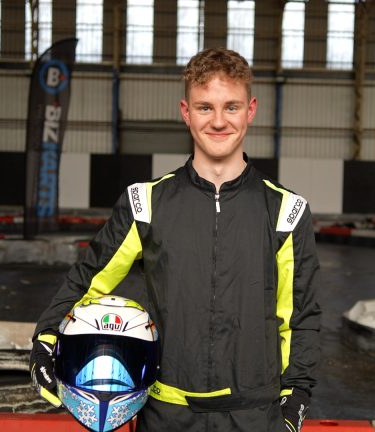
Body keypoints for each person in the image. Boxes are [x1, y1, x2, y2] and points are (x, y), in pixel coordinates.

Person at [31, 47, 321, 432]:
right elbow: (88, 278)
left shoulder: (287, 211)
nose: (218, 121)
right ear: (186, 112)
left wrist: (296, 396)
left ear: (251, 110)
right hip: (165, 415)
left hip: (256, 415)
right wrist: (47, 338)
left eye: (230, 107)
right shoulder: (145, 203)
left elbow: (300, 317)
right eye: (205, 108)